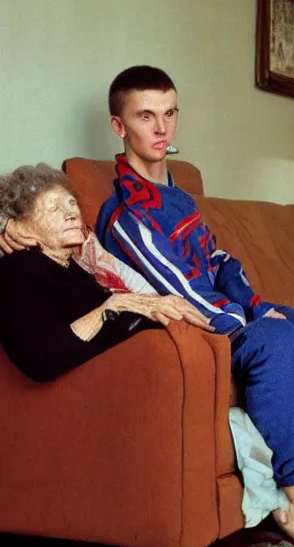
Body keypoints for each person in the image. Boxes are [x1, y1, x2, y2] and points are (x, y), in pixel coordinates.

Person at [94, 65, 294, 547]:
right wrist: (248, 321)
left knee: (289, 320)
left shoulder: (179, 196)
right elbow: (183, 291)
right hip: (198, 331)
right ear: (119, 127)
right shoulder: (128, 216)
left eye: (169, 114)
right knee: (275, 339)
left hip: (228, 313)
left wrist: (257, 305)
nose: (162, 129)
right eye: (146, 117)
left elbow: (219, 261)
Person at [0, 164, 213, 383]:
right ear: (22, 224)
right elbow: (41, 361)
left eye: (71, 204)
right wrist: (116, 305)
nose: (71, 214)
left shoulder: (75, 268)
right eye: (54, 209)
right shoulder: (18, 270)